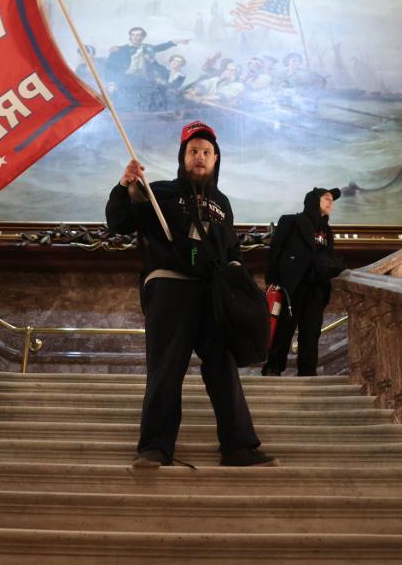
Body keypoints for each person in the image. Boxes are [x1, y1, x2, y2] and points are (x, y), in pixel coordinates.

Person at [106, 121, 277, 468]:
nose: (200, 156)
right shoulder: (159, 192)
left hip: (212, 294)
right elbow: (119, 222)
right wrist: (125, 186)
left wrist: (238, 283)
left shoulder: (222, 203)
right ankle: (155, 447)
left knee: (223, 368)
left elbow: (232, 251)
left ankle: (238, 446)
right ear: (183, 157)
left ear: (216, 159)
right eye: (193, 151)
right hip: (170, 288)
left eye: (206, 152)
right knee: (166, 368)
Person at [262, 187, 344, 376]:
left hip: (316, 288)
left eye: (332, 200)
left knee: (312, 331)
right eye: (326, 198)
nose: (330, 202)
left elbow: (327, 257)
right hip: (292, 286)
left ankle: (307, 373)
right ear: (313, 200)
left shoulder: (327, 231)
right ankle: (273, 368)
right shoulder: (290, 221)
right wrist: (272, 280)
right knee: (284, 328)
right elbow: (275, 251)